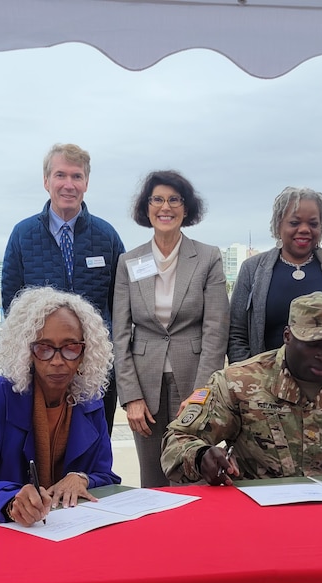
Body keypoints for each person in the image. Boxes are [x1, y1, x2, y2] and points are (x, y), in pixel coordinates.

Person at [162, 292, 322, 485]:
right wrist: (201, 457)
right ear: (287, 336)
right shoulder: (237, 383)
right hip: (257, 515)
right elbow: (176, 441)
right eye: (313, 344)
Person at [0, 287, 120, 526]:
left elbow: (106, 476)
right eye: (44, 348)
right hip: (7, 531)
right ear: (27, 351)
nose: (57, 361)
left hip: (71, 531)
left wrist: (81, 478)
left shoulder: (90, 401)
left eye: (70, 347)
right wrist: (10, 500)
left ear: (85, 351)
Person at [114, 170, 230, 487]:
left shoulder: (207, 258)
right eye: (158, 199)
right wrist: (131, 397)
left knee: (194, 473)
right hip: (145, 386)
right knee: (152, 478)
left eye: (174, 199)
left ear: (186, 208)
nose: (166, 207)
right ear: (146, 207)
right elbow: (120, 336)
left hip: (192, 380)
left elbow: (215, 333)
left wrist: (201, 393)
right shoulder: (129, 261)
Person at [1, 143, 125, 429]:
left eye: (76, 176)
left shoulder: (106, 236)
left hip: (93, 369)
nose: (68, 184)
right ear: (46, 181)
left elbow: (120, 306)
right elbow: (12, 304)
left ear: (86, 183)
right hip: (42, 368)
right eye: (60, 175)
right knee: (39, 448)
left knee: (94, 452)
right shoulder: (23, 235)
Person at [228, 187, 322, 370]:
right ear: (278, 225)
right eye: (295, 222)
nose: (304, 230)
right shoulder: (253, 269)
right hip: (265, 386)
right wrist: (247, 377)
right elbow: (237, 333)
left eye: (313, 224)